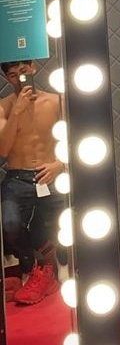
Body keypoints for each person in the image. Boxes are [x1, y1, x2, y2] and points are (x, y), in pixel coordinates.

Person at [0, 59, 68, 304]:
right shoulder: (4, 107)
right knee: (9, 224)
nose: (20, 78)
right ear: (6, 78)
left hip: (51, 173)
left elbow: (73, 138)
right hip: (17, 177)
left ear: (33, 68)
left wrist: (59, 165)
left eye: (24, 71)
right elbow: (3, 150)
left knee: (64, 224)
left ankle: (60, 265)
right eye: (13, 75)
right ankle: (33, 264)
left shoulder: (56, 101)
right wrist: (17, 111)